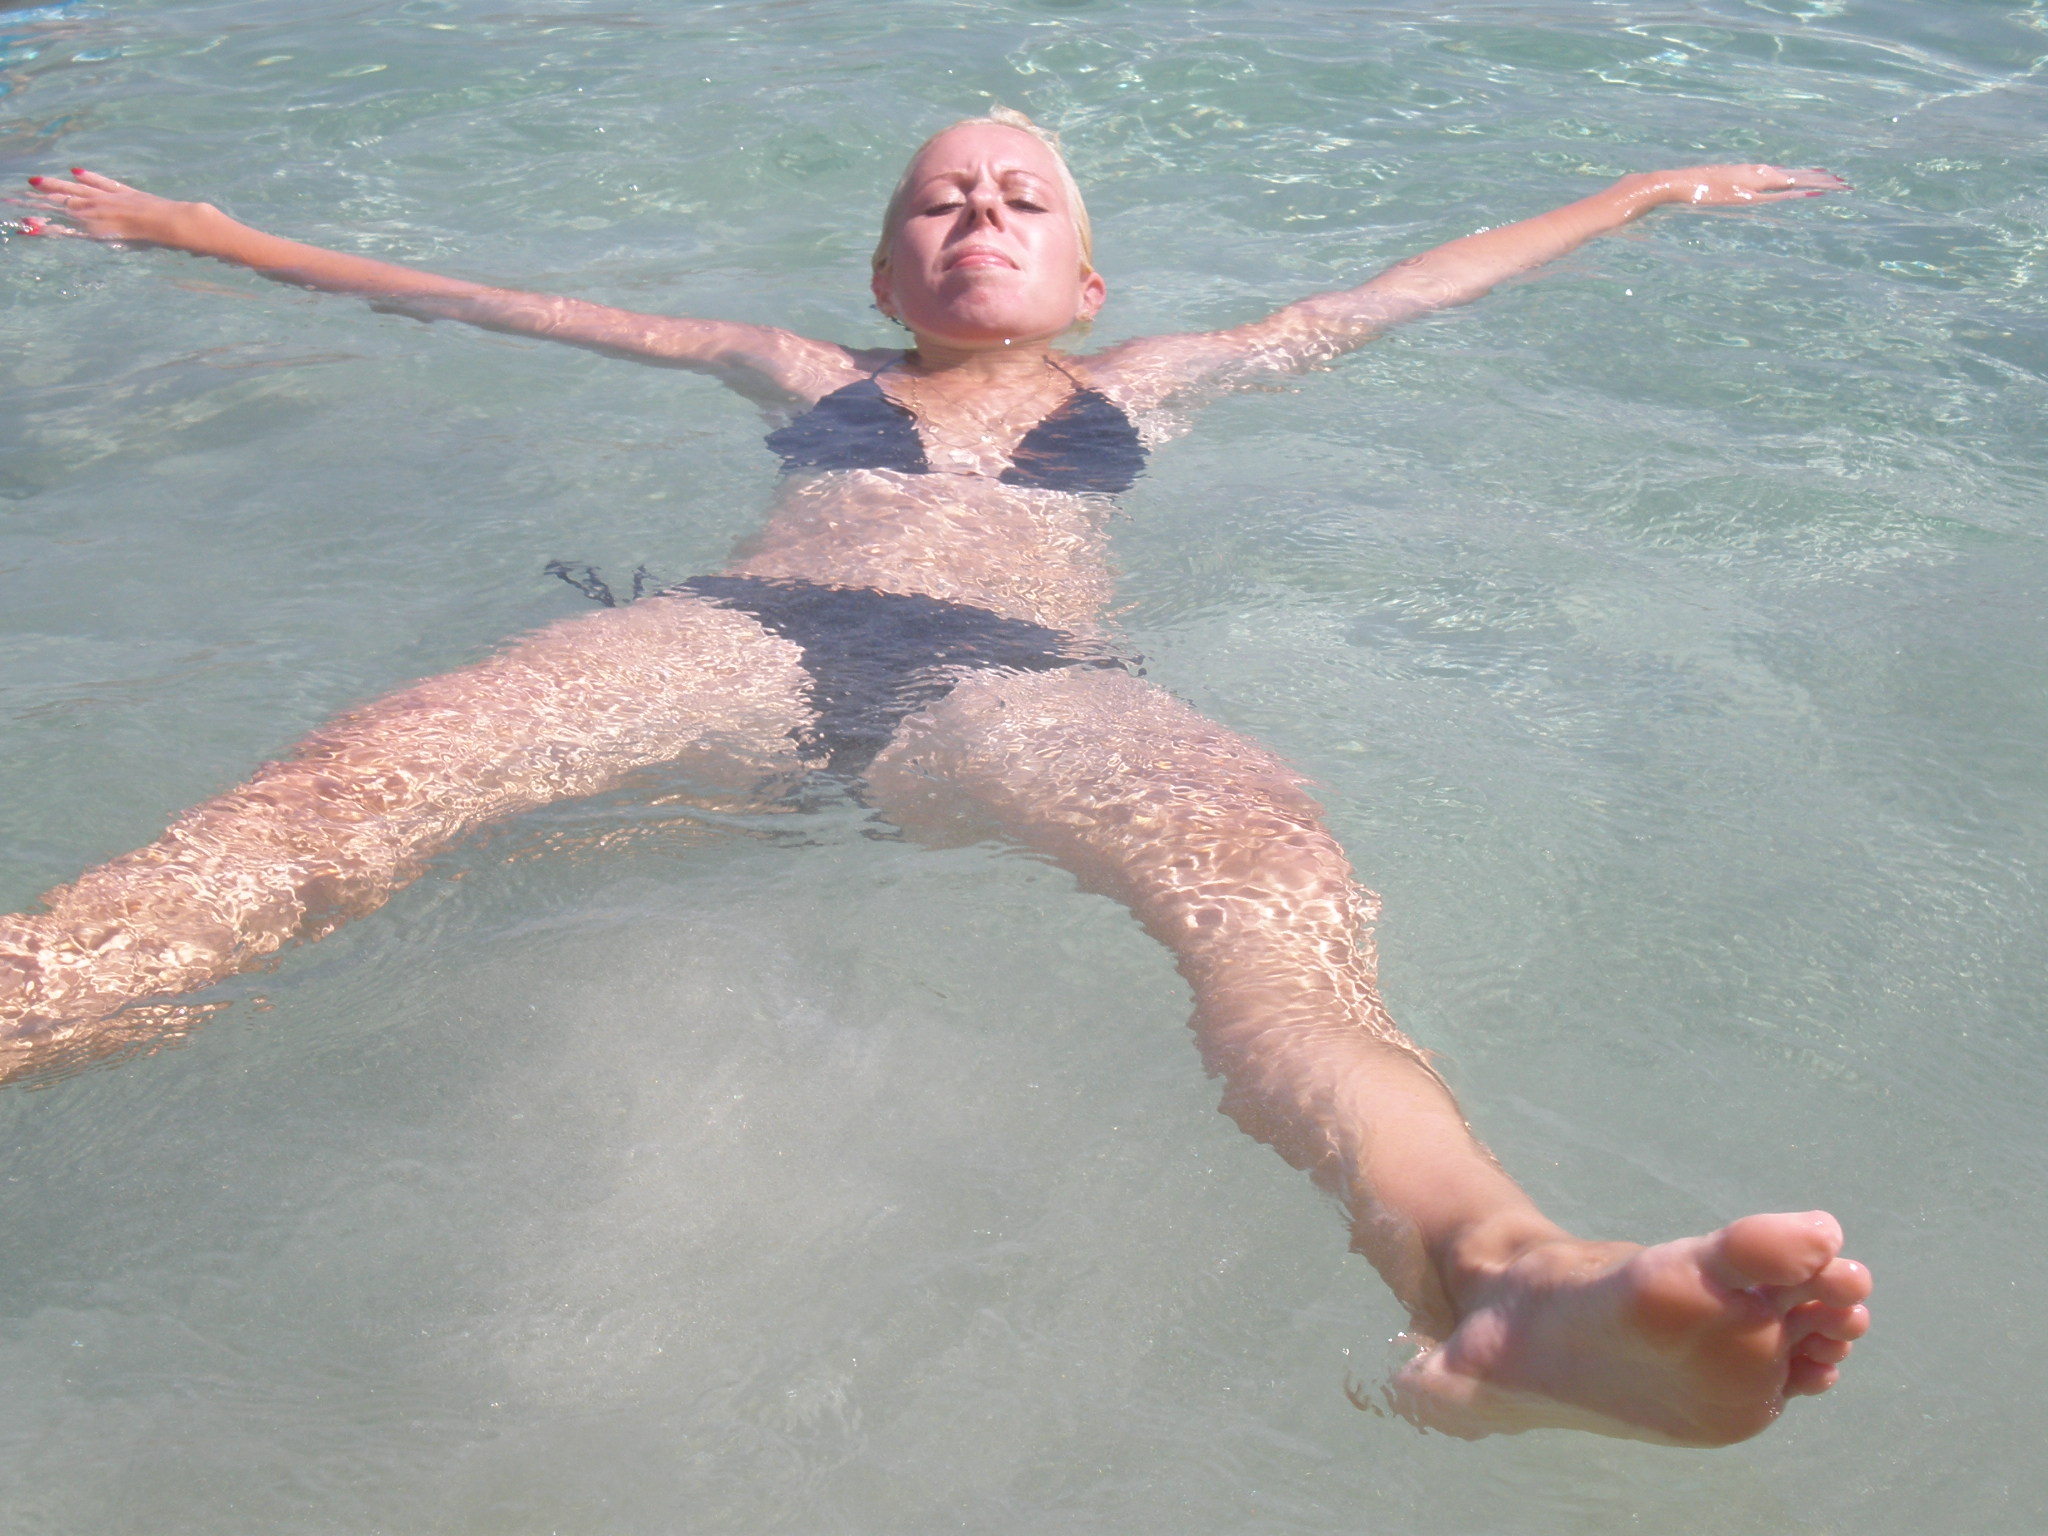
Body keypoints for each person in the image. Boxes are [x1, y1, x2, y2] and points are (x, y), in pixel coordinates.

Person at [7, 112, 1868, 1445]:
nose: (979, 212)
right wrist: (204, 232)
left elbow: (1404, 292)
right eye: (939, 199)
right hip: (738, 635)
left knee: (1271, 886)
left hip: (1022, 686)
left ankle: (1505, 1278)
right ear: (886, 269)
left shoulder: (1149, 380)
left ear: (1085, 275)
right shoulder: (789, 362)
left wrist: (1637, 194)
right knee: (352, 787)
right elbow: (488, 302)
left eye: (1021, 197)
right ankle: (38, 998)